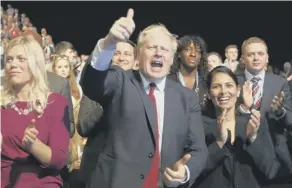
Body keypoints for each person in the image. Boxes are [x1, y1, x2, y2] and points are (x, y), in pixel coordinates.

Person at [79, 8, 208, 188]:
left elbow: (199, 150)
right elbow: (92, 84)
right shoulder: (121, 80)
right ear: (139, 55)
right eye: (152, 47)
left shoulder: (186, 98)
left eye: (164, 49)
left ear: (172, 59)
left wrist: (185, 173)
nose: (158, 53)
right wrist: (109, 43)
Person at [192, 66, 283, 188]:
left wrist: (253, 139)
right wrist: (219, 143)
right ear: (208, 93)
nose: (223, 91)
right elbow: (192, 173)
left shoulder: (254, 123)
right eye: (216, 86)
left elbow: (271, 171)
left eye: (229, 85)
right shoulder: (197, 125)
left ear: (238, 90)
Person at [1, 36, 70, 187]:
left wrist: (33, 145)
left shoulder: (54, 103)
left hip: (42, 183)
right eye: (9, 59)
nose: (13, 64)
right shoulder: (1, 105)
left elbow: (58, 161)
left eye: (21, 59)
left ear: (35, 64)